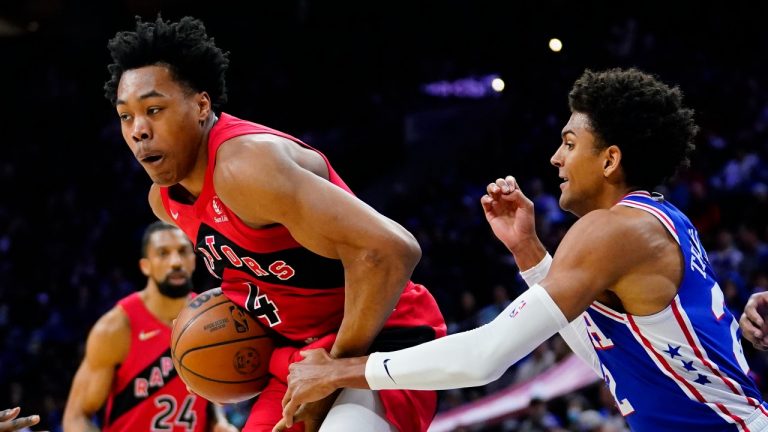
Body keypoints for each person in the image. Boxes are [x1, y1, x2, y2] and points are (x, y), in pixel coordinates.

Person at [281, 68, 768, 431]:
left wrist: (340, 370)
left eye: (570, 143)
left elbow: (485, 357)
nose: (556, 157)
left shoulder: (614, 230)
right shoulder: (654, 223)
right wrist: (529, 252)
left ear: (610, 160)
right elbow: (611, 359)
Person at [103, 15, 446, 432]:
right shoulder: (165, 201)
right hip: (301, 356)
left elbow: (392, 250)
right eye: (126, 116)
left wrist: (332, 373)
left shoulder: (245, 167)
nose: (139, 130)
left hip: (383, 334)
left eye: (154, 110)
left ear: (201, 105)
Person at [63, 221, 237, 432]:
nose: (175, 262)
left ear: (193, 260)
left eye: (183, 252)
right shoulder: (116, 328)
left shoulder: (212, 319)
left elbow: (209, 389)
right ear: (145, 266)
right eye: (163, 253)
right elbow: (76, 416)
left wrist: (219, 423)